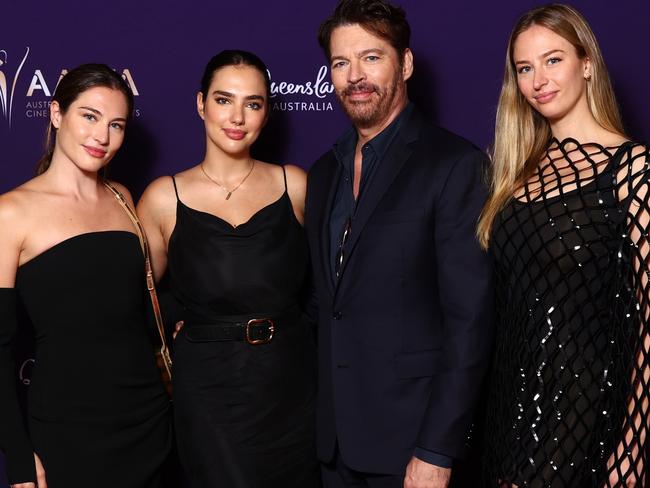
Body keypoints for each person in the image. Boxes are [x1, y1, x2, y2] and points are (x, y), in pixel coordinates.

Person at [305, 1, 494, 487]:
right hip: (335, 446)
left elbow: (469, 320)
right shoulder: (325, 171)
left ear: (405, 64)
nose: (354, 76)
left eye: (371, 58)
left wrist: (437, 449)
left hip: (412, 447)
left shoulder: (454, 164)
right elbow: (326, 301)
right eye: (341, 63)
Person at [477, 4, 650, 486]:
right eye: (524, 69)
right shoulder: (513, 177)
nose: (539, 81)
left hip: (585, 407)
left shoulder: (633, 169)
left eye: (553, 60)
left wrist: (633, 442)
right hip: (507, 404)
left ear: (587, 63)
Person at [137, 50, 320, 487]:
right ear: (201, 104)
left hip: (290, 386)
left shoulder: (295, 184)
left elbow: (330, 286)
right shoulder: (164, 197)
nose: (237, 116)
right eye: (224, 100)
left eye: (253, 104)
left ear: (266, 112)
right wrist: (179, 323)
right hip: (208, 391)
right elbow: (142, 301)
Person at [0, 64, 171, 488]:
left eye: (116, 124)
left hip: (148, 423)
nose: (102, 137)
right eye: (89, 117)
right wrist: (18, 454)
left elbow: (127, 309)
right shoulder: (10, 214)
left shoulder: (123, 198)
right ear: (56, 114)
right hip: (66, 432)